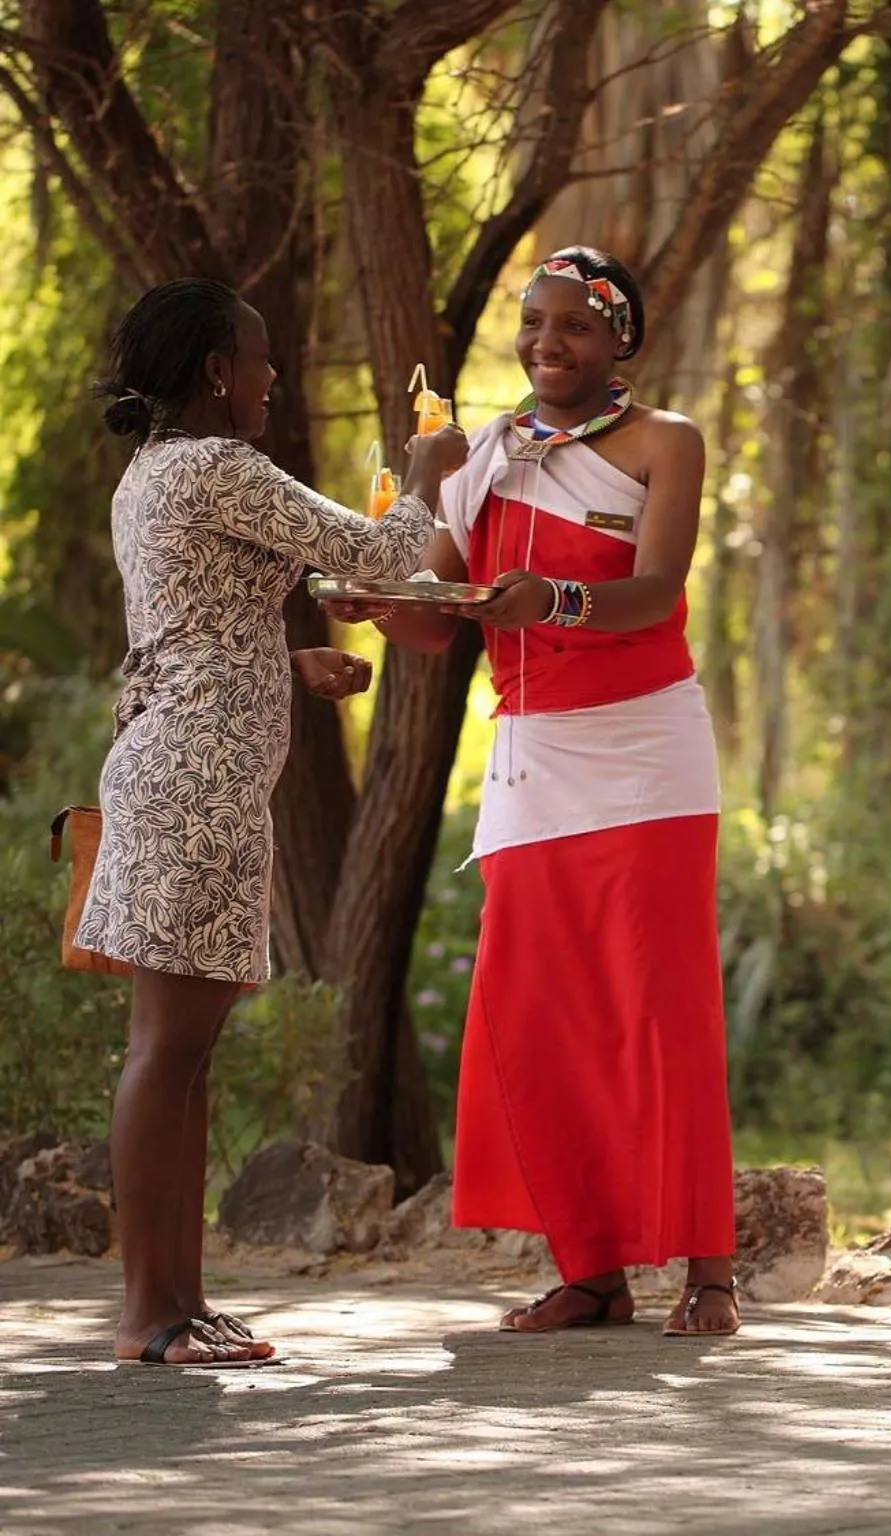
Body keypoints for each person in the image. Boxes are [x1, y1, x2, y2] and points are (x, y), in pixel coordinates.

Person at [332, 247, 739, 1338]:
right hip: (530, 762)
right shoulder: (484, 456)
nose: (546, 344)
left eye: (574, 326)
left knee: (659, 1010)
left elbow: (654, 594)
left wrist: (551, 599)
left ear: (621, 340)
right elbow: (435, 624)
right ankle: (591, 1269)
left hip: (646, 754)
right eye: (532, 323)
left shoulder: (666, 440)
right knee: (538, 1014)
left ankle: (709, 1271)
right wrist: (381, 597)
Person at [80, 278, 460, 1366]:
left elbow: (189, 633)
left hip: (192, 777)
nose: (272, 375)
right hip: (192, 789)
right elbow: (381, 555)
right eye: (257, 357)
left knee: (187, 1056)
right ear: (216, 372)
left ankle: (183, 1303)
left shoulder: (158, 473)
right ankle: (149, 1315)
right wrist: (425, 476)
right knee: (166, 1051)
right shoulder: (215, 465)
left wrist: (285, 663)